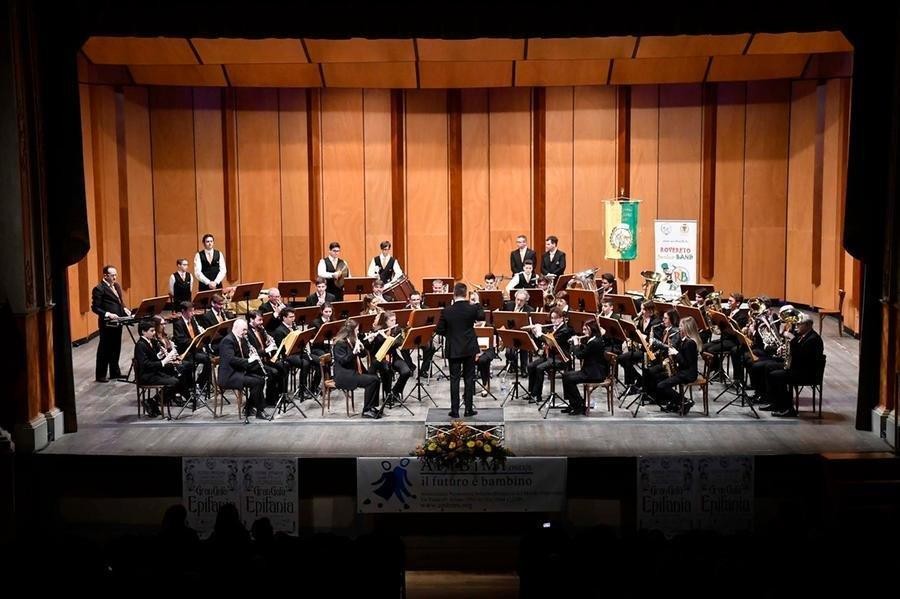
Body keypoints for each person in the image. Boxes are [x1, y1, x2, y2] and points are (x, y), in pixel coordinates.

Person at [435, 283, 485, 418]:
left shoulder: (447, 310)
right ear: (465, 294)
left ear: (453, 293)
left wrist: (451, 334)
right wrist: (478, 303)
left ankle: (455, 410)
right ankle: (468, 409)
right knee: (469, 378)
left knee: (454, 380)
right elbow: (482, 317)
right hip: (469, 348)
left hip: (454, 349)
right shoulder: (472, 308)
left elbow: (439, 329)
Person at [763, 314, 824, 417]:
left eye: (799, 324)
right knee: (769, 367)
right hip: (797, 367)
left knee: (775, 375)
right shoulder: (803, 335)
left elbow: (803, 358)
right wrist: (785, 351)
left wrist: (792, 339)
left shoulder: (814, 339)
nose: (796, 327)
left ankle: (787, 407)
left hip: (807, 373)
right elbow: (796, 354)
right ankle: (775, 402)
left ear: (808, 325)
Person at [217, 319, 267, 419]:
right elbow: (231, 359)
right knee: (256, 382)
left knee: (261, 379)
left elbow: (244, 355)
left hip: (238, 371)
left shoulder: (241, 339)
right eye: (243, 330)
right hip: (229, 376)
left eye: (246, 330)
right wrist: (249, 360)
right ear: (235, 328)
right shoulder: (228, 341)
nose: (245, 332)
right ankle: (259, 411)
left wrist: (253, 355)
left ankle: (249, 408)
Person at [331, 319, 381, 418]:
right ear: (351, 331)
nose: (358, 332)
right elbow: (344, 361)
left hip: (353, 372)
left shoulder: (352, 340)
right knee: (372, 380)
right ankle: (366, 410)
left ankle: (371, 407)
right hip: (344, 375)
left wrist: (365, 345)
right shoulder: (340, 343)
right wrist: (354, 352)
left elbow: (362, 355)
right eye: (356, 330)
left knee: (376, 378)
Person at [656, 316, 703, 415]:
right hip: (682, 371)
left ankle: (684, 401)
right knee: (658, 377)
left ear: (687, 328)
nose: (679, 328)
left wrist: (676, 353)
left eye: (681, 326)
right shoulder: (684, 340)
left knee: (661, 386)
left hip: (688, 374)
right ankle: (676, 402)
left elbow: (687, 363)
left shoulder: (690, 343)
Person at [91, 265, 131, 382]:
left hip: (118, 322)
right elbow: (95, 308)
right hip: (107, 324)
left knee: (116, 347)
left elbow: (119, 302)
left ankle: (115, 372)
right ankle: (100, 375)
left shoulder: (117, 286)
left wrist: (125, 309)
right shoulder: (99, 289)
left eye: (115, 275)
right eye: (112, 275)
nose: (115, 277)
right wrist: (108, 314)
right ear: (105, 276)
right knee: (105, 349)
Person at [526, 307, 574, 404]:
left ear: (562, 318)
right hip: (550, 356)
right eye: (552, 318)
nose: (553, 320)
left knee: (539, 368)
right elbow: (543, 340)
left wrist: (540, 334)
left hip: (561, 358)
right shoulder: (553, 328)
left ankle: (537, 395)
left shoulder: (565, 330)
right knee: (530, 366)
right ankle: (531, 392)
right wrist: (536, 333)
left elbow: (552, 341)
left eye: (556, 318)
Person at [562, 320, 609, 415]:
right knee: (565, 376)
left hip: (594, 373)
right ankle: (574, 404)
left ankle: (579, 405)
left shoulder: (595, 342)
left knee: (569, 379)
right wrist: (579, 344)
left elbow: (580, 355)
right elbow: (586, 351)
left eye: (585, 329)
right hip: (590, 370)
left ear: (592, 329)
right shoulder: (594, 339)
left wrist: (576, 344)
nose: (583, 332)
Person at [134, 320, 180, 415]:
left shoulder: (150, 342)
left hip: (153, 373)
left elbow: (151, 358)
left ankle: (153, 401)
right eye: (151, 331)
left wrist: (159, 355)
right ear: (143, 332)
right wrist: (163, 361)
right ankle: (154, 401)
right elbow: (145, 364)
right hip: (146, 376)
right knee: (173, 382)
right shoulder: (140, 345)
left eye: (154, 330)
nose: (154, 333)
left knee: (176, 378)